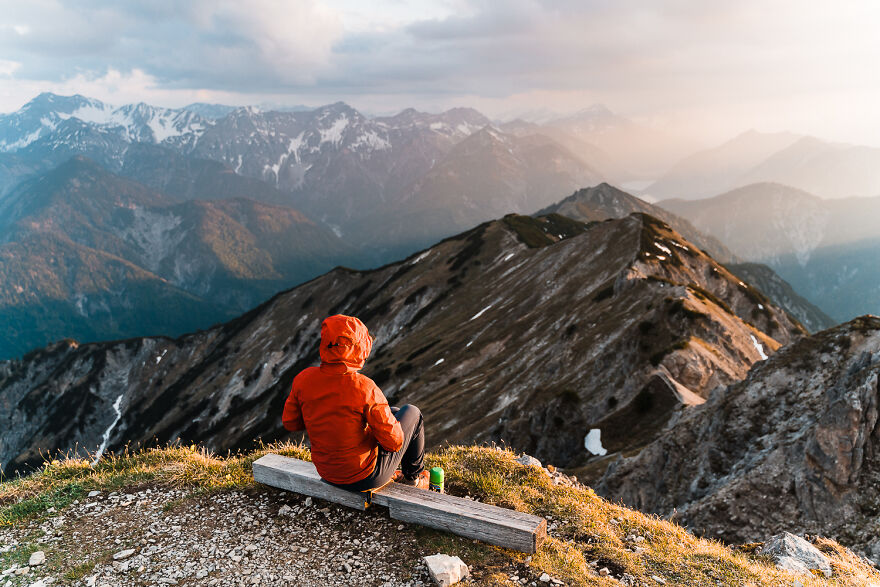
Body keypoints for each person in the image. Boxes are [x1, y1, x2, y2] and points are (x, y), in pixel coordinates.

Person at [282, 314, 430, 491]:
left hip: (326, 472)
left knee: (395, 411)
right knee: (412, 412)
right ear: (359, 348)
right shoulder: (364, 387)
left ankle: (401, 472)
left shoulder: (303, 379)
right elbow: (394, 443)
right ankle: (413, 478)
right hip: (364, 477)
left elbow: (291, 423)